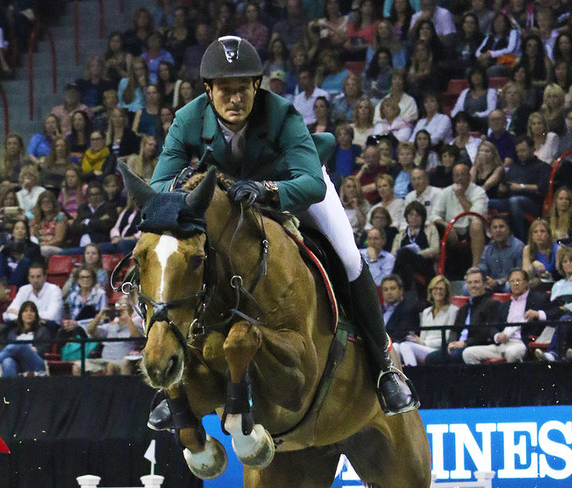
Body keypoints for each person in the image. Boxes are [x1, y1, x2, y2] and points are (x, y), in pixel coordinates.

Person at [149, 35, 416, 417]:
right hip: (232, 199)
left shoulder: (281, 113)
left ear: (257, 86)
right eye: (225, 90)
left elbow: (311, 183)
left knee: (349, 258)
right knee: (187, 260)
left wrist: (266, 190)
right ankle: (179, 379)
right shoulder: (189, 118)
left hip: (290, 188)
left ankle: (383, 367)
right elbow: (158, 186)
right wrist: (184, 183)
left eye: (243, 89)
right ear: (208, 89)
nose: (235, 99)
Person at [462, 268, 551, 364]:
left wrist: (537, 314)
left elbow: (556, 312)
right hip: (502, 344)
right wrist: (497, 336)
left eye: (518, 280)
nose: (515, 283)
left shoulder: (538, 299)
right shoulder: (504, 305)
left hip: (521, 343)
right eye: (512, 281)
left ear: (526, 283)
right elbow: (493, 326)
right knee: (468, 353)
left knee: (512, 353)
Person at [425, 267, 500, 364]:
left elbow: (486, 332)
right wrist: (450, 343)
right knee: (430, 358)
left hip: (475, 346)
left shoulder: (491, 304)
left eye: (476, 282)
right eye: (470, 283)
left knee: (454, 357)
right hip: (457, 346)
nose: (473, 286)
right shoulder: (464, 308)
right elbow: (455, 330)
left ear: (484, 284)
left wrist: (465, 343)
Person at [0, 300, 51, 378]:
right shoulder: (13, 332)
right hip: (17, 363)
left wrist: (35, 349)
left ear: (36, 315)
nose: (29, 314)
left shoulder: (42, 330)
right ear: (21, 315)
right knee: (7, 361)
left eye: (32, 311)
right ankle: (11, 389)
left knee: (21, 345)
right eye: (25, 311)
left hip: (35, 362)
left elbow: (45, 348)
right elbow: (8, 350)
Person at [431, 163, 488, 267]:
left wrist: (460, 196)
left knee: (476, 224)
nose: (460, 178)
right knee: (431, 226)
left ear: (469, 176)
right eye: (457, 175)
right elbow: (434, 215)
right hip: (451, 228)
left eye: (463, 175)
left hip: (469, 229)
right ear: (453, 177)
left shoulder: (479, 192)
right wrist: (446, 225)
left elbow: (476, 215)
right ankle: (436, 270)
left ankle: (475, 267)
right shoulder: (445, 192)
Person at [395, 276, 459, 366]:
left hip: (438, 350)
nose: (438, 291)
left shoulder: (453, 310)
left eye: (441, 289)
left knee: (405, 346)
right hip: (423, 347)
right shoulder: (426, 312)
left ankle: (413, 375)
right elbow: (423, 336)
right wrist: (419, 341)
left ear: (446, 292)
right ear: (431, 291)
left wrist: (424, 343)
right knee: (396, 347)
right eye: (435, 288)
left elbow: (447, 337)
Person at [498, 135, 552, 240]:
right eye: (518, 151)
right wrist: (502, 188)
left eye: (523, 150)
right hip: (509, 199)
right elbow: (506, 184)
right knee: (487, 202)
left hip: (533, 202)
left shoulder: (542, 166)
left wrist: (521, 187)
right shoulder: (515, 166)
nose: (520, 154)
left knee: (515, 201)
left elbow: (542, 187)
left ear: (532, 149)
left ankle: (520, 238)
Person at [391, 200, 439, 296]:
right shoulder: (401, 234)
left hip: (424, 263)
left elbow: (435, 248)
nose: (414, 217)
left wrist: (416, 253)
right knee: (404, 258)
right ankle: (407, 289)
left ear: (422, 217)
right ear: (407, 217)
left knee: (404, 253)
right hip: (406, 265)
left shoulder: (430, 229)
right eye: (411, 215)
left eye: (417, 215)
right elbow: (393, 253)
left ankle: (393, 280)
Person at [4, 263, 64, 331]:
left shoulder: (54, 290)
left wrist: (22, 314)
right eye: (32, 277)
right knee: (9, 326)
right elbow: (8, 313)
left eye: (38, 276)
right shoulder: (24, 289)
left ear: (45, 277)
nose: (35, 280)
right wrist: (34, 318)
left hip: (48, 328)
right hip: (25, 327)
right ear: (28, 278)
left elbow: (52, 316)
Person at [479, 216, 525, 293]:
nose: (498, 230)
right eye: (495, 227)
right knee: (468, 287)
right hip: (492, 284)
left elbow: (520, 273)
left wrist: (498, 282)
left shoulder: (518, 246)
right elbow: (482, 269)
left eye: (501, 227)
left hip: (510, 283)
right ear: (490, 231)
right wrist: (485, 279)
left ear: (508, 229)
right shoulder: (487, 249)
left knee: (508, 286)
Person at [379, 274, 420, 343]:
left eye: (392, 288)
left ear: (401, 290)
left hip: (396, 346)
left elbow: (401, 334)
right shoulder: (379, 311)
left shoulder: (409, 309)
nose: (389, 292)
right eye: (385, 289)